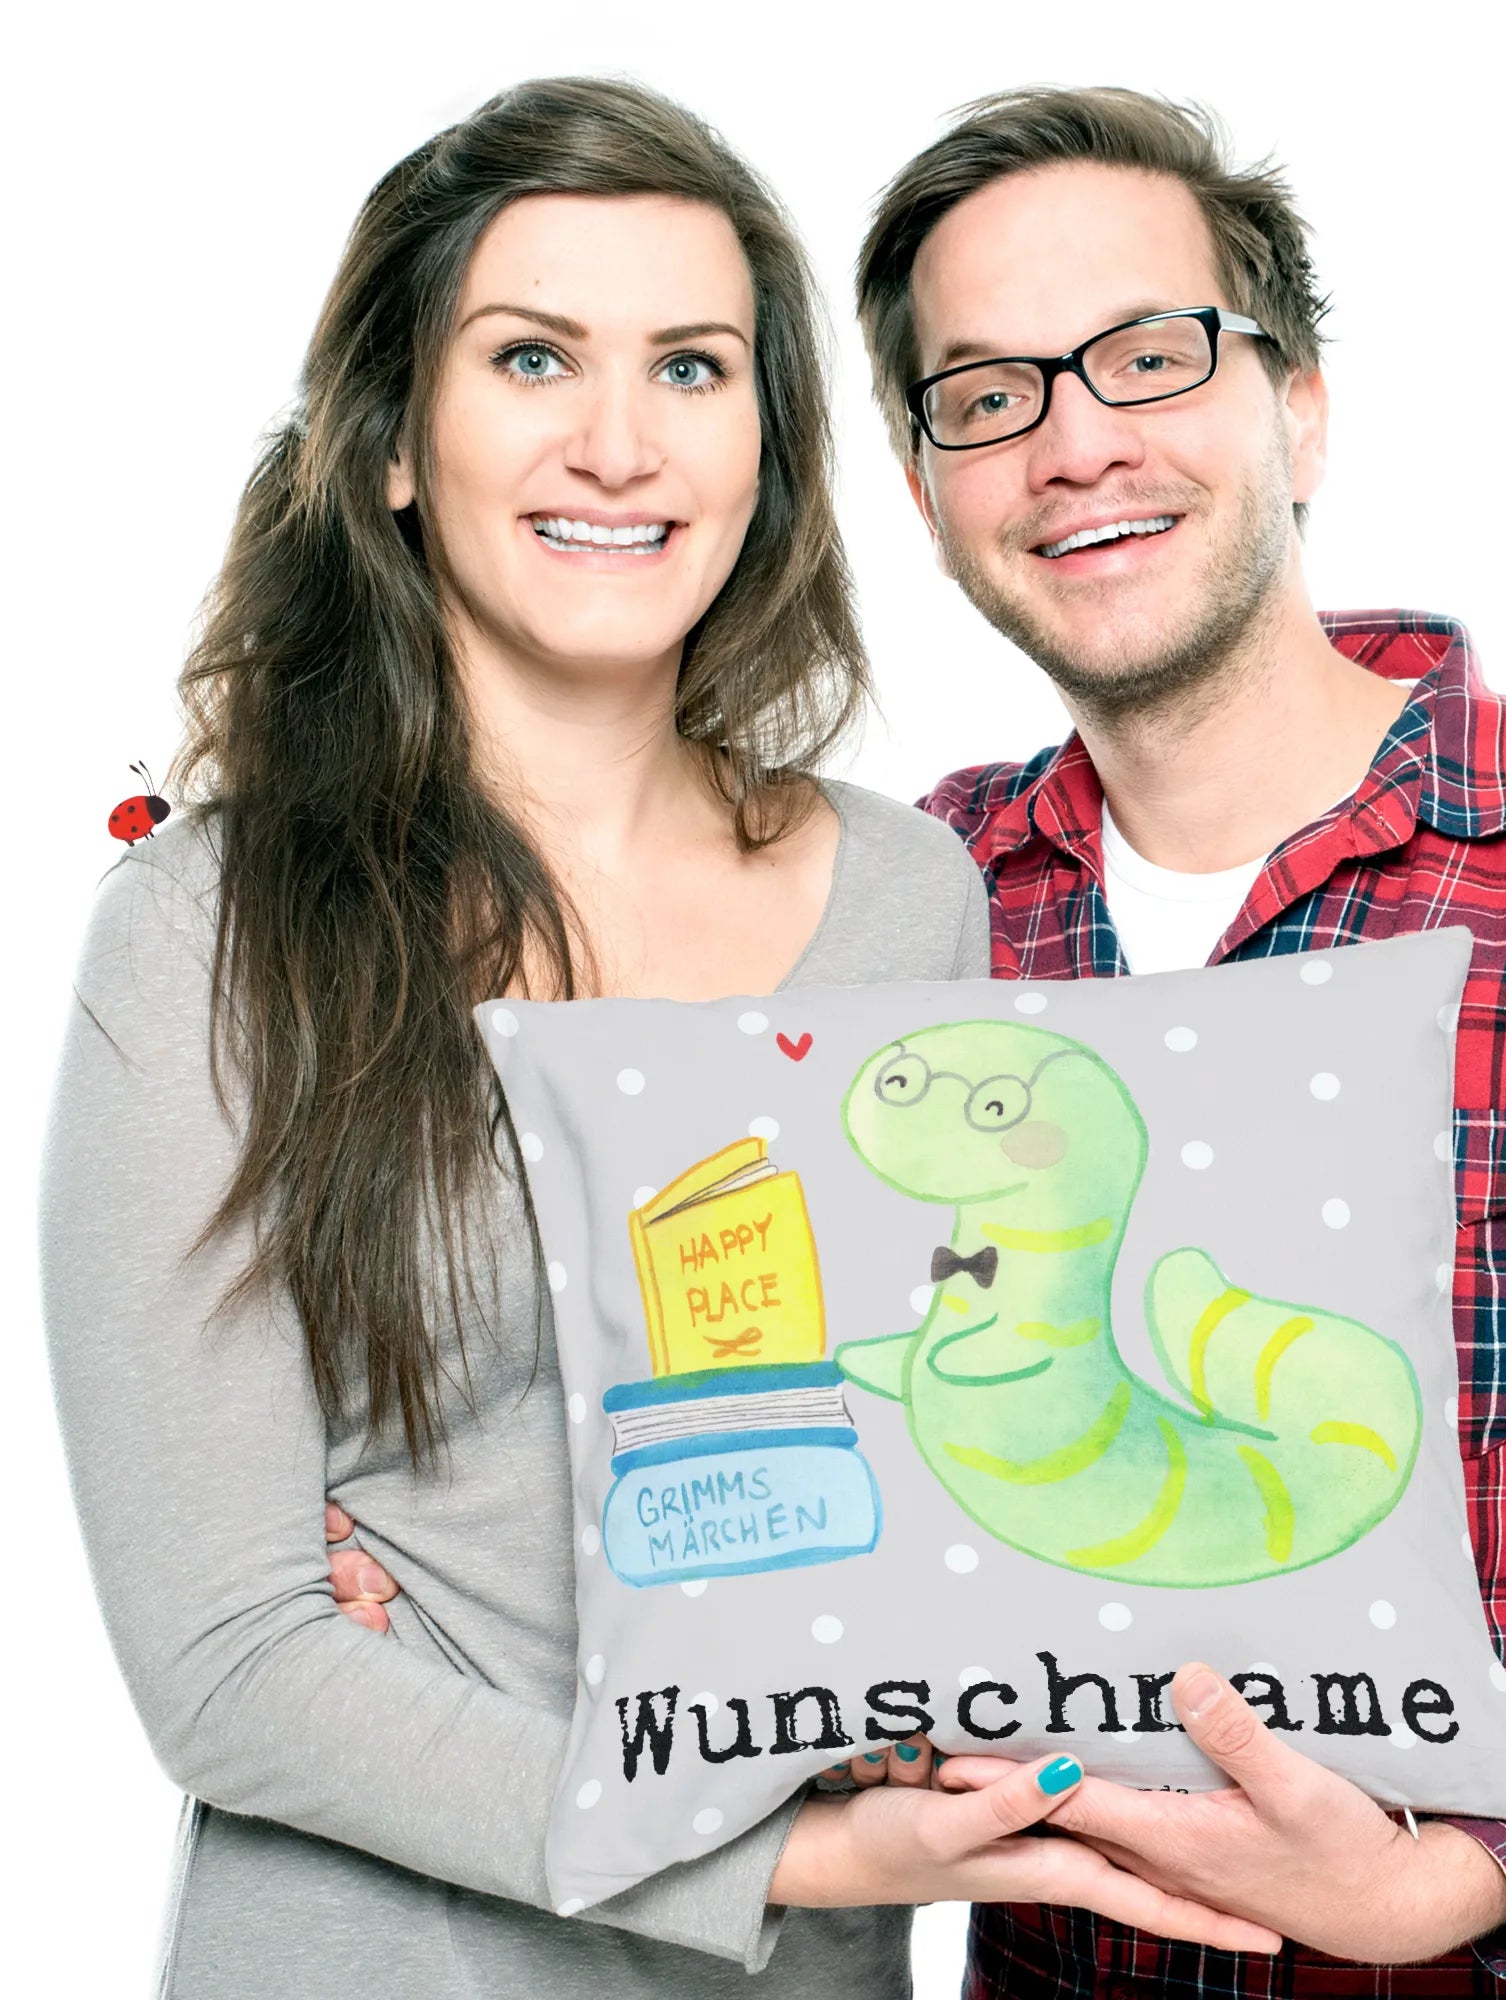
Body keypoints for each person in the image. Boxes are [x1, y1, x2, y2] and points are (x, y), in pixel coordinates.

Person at [327, 85, 1506, 1997]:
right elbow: (778, 1427)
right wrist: (441, 1564)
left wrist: (1461, 1879)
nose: (1076, 442)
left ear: (1301, 408)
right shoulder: (909, 908)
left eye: (1149, 354)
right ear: (929, 491)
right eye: (988, 394)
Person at [40, 77, 1280, 2000]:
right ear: (394, 440)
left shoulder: (912, 900)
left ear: (767, 448)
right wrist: (790, 1846)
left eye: (691, 367)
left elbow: (941, 1486)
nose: (618, 445)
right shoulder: (210, 929)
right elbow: (226, 1669)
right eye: (532, 356)